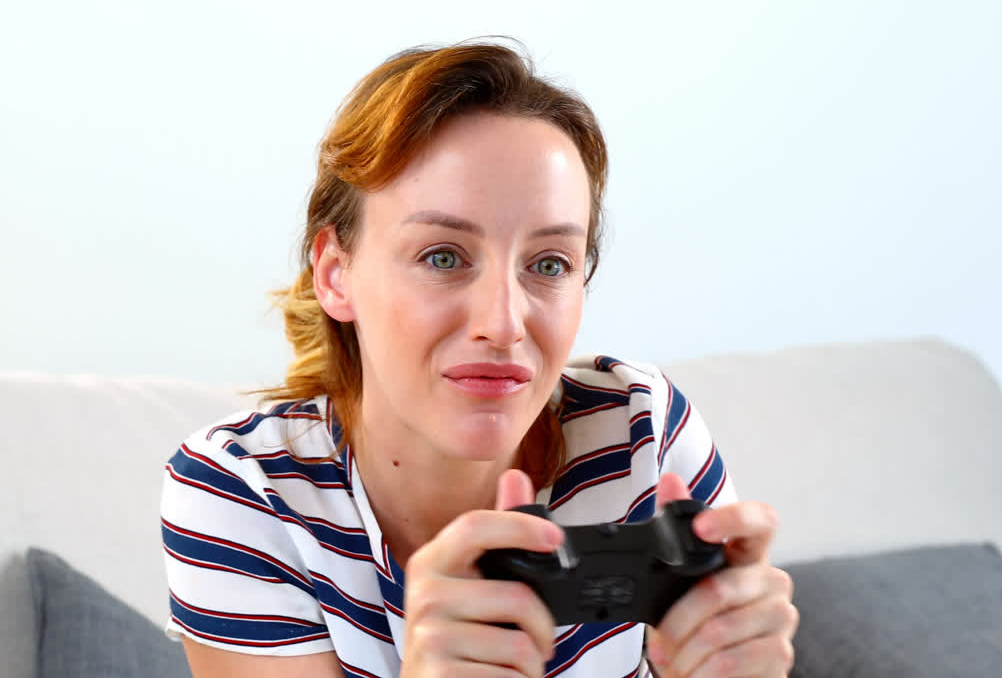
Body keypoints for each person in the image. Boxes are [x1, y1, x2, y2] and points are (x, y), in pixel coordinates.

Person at [160, 38, 798, 678]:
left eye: (549, 264)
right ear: (335, 274)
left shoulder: (643, 432)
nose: (503, 324)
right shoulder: (243, 492)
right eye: (442, 257)